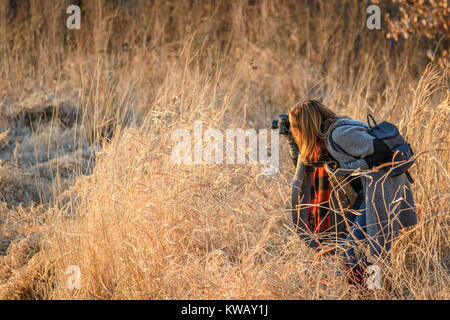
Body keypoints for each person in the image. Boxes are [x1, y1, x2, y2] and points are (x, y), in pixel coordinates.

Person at [283, 100, 417, 286]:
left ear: (306, 125)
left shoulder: (339, 134)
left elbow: (382, 151)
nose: (296, 132)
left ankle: (369, 292)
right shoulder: (327, 137)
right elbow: (307, 166)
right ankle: (371, 290)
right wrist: (291, 140)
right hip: (369, 191)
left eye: (296, 127)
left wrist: (344, 168)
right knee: (353, 244)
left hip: (382, 189)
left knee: (354, 249)